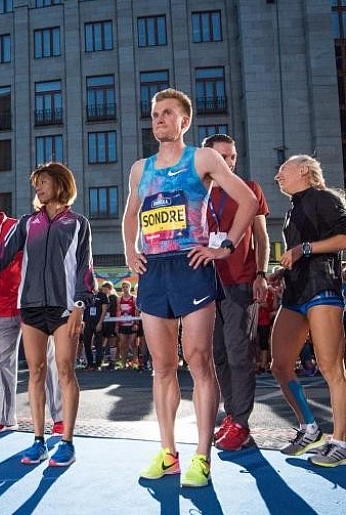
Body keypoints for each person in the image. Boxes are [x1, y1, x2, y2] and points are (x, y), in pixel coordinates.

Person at [123, 88, 258, 488]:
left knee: (199, 361)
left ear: (184, 121)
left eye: (167, 113)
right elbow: (131, 214)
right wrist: (130, 251)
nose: (159, 119)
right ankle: (168, 453)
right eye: (155, 114)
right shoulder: (140, 168)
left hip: (191, 265)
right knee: (162, 366)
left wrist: (224, 246)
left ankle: (202, 456)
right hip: (154, 270)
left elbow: (248, 200)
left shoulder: (202, 158)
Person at [0, 163, 94, 467]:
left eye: (43, 181)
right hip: (31, 307)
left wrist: (80, 305)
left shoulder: (78, 223)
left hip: (65, 308)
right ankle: (38, 441)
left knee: (65, 371)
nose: (38, 187)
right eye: (36, 183)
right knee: (36, 372)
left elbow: (85, 267)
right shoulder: (27, 223)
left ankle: (67, 442)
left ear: (61, 183)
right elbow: (2, 255)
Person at [267, 154, 346, 466]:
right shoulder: (293, 209)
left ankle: (340, 441)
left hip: (322, 289)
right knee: (280, 364)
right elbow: (300, 252)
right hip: (295, 293)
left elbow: (343, 238)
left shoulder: (325, 198)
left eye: (282, 170)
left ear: (303, 170)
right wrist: (282, 270)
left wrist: (304, 249)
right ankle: (310, 429)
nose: (277, 177)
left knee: (331, 368)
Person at [0, 188, 63, 434]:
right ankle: (6, 417)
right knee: (4, 362)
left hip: (30, 304)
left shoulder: (17, 227)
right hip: (1, 307)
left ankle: (59, 418)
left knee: (45, 359)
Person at [202, 133, 271, 452]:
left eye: (233, 156)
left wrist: (261, 273)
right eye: (223, 157)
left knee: (237, 350)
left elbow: (261, 236)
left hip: (240, 280)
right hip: (204, 284)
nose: (230, 162)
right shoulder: (195, 193)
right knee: (217, 354)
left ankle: (241, 423)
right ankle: (231, 416)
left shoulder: (249, 188)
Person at [85, 282, 114, 371]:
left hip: (98, 322)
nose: (91, 286)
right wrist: (83, 324)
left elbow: (104, 310)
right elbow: (83, 309)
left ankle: (98, 364)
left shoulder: (102, 295)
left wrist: (100, 323)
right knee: (87, 343)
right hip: (87, 322)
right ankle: (90, 363)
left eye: (93, 284)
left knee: (98, 344)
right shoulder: (86, 295)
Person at [115, 281, 138, 369]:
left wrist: (136, 323)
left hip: (132, 324)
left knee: (133, 343)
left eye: (126, 287)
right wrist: (117, 325)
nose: (125, 288)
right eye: (123, 287)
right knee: (123, 344)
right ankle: (124, 362)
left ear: (129, 288)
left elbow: (136, 312)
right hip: (122, 324)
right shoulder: (119, 299)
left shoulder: (134, 298)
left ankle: (135, 362)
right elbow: (118, 311)